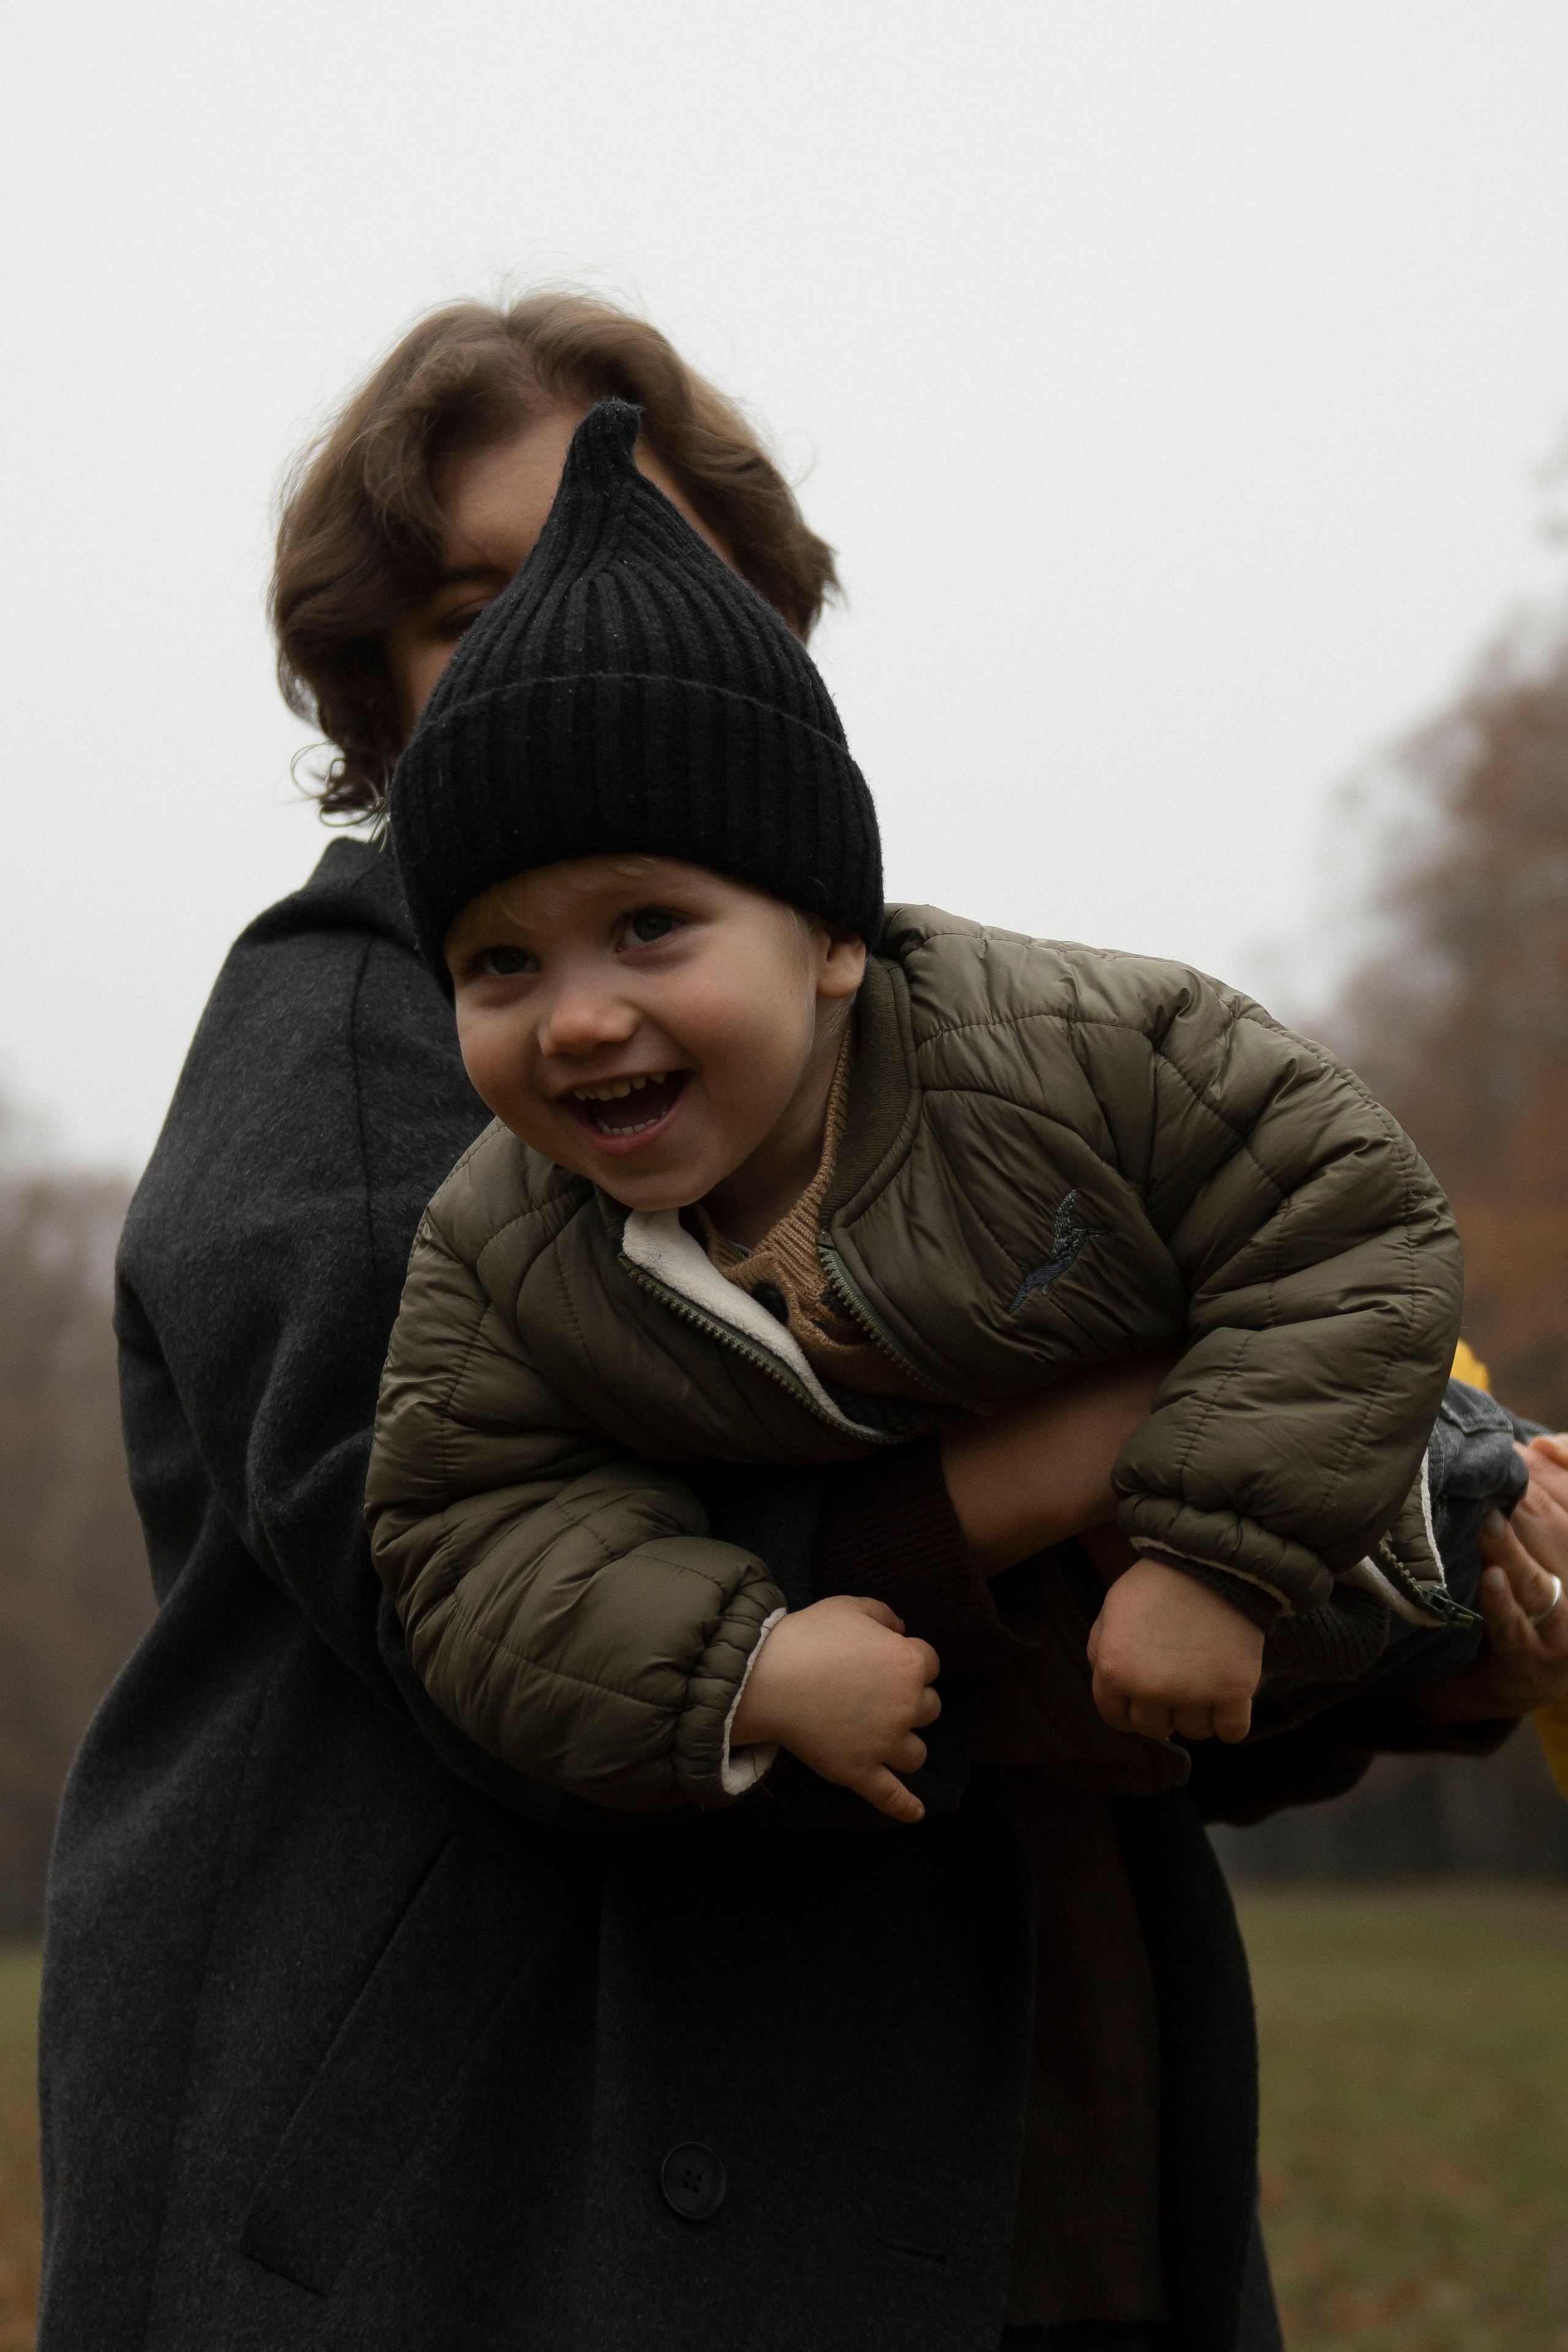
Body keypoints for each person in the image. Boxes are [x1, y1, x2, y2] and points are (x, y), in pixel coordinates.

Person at [35, 293, 1568, 2352]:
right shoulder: (358, 1037)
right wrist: (1077, 1453)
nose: (564, 626)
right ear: (373, 683)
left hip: (1026, 2134)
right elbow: (453, 1598)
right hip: (512, 2182)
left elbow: (1087, 1671)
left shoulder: (913, 1068)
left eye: (645, 564)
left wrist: (1420, 1622)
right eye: (472, 610)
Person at [366, 395, 1479, 1833]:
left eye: (647, 927)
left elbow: (1346, 1217)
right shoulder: (500, 1252)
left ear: (833, 938)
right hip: (1097, 1708)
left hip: (1396, 1502)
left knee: (1525, 1540)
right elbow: (470, 1533)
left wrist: (1215, 1563)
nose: (576, 1019)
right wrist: (744, 1669)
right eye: (500, 964)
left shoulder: (1060, 1054)